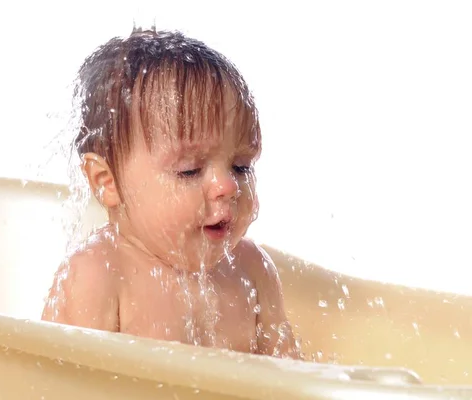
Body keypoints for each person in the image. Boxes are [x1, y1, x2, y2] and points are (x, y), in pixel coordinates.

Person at [42, 27, 300, 359]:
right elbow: (54, 384)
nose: (228, 186)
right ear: (107, 182)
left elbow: (290, 377)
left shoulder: (252, 270)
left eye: (241, 166)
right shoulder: (100, 275)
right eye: (189, 170)